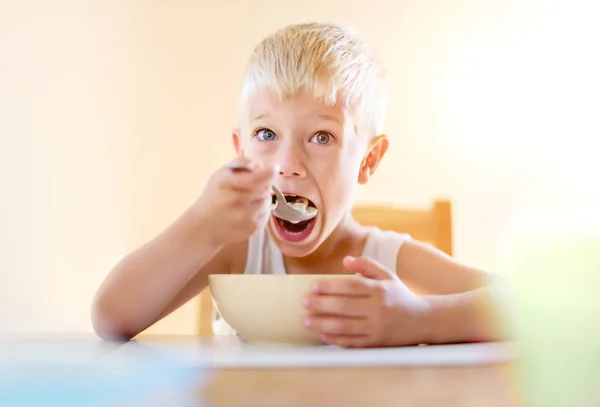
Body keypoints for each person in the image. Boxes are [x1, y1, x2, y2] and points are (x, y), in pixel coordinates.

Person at [92, 22, 506, 347]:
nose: (288, 165)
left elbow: (528, 306)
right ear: (241, 152)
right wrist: (201, 224)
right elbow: (112, 319)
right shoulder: (236, 249)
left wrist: (420, 318)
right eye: (267, 135)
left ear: (368, 160)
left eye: (321, 137)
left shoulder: (388, 260)